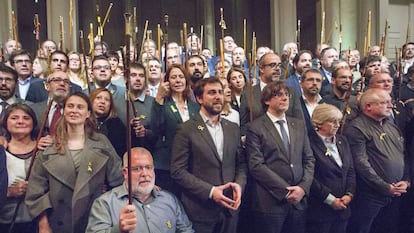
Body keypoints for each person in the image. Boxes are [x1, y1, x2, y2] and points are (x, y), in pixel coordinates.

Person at [25, 92, 124, 233]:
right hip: (57, 223)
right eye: (70, 106)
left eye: (80, 107)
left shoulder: (102, 143)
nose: (74, 110)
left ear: (88, 113)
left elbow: (118, 178)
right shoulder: (49, 147)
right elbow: (36, 191)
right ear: (64, 111)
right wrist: (43, 224)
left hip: (94, 220)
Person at [171, 77, 246, 233]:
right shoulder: (186, 129)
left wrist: (239, 185)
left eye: (220, 92)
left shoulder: (232, 128)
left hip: (230, 209)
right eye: (212, 93)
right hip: (200, 210)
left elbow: (241, 164)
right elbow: (178, 171)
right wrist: (211, 192)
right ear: (199, 98)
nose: (218, 96)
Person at [245, 80, 314, 233]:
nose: (285, 98)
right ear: (267, 100)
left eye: (286, 95)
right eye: (279, 95)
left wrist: (302, 188)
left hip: (299, 202)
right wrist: (286, 191)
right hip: (270, 202)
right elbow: (256, 165)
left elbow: (309, 159)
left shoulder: (298, 125)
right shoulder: (255, 127)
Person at [344, 88, 410, 233]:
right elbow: (361, 163)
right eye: (384, 103)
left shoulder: (391, 126)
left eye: (390, 102)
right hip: (370, 195)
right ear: (368, 106)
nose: (391, 106)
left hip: (396, 192)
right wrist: (385, 187)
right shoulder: (357, 128)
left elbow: (403, 155)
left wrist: (406, 180)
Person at [86, 147, 194, 233]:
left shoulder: (169, 200)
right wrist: (118, 230)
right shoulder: (105, 204)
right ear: (125, 173)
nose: (145, 174)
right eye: (137, 169)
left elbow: (186, 230)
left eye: (148, 167)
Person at [306, 103, 356, 233]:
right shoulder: (308, 143)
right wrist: (330, 200)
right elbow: (310, 177)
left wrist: (349, 194)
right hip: (320, 210)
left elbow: (350, 170)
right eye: (332, 122)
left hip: (344, 208)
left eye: (338, 121)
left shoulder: (342, 140)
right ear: (319, 122)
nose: (337, 125)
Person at [151, 64, 199, 194]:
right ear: (167, 81)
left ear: (186, 80)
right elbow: (156, 128)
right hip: (168, 164)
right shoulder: (162, 104)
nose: (178, 80)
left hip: (191, 164)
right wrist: (159, 98)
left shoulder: (195, 107)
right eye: (173, 77)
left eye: (181, 77)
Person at [239, 52, 303, 137]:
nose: (277, 69)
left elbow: (300, 123)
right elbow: (243, 125)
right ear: (261, 68)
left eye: (279, 65)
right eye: (273, 65)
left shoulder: (291, 92)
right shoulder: (248, 94)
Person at [0, 103, 38, 233]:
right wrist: (7, 192)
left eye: (26, 118)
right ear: (5, 123)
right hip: (4, 221)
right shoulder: (1, 151)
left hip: (37, 221)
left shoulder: (44, 149)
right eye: (14, 118)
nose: (20, 121)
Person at [90, 88, 126, 157]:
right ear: (91, 101)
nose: (103, 102)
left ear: (110, 105)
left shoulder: (116, 124)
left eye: (107, 100)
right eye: (98, 98)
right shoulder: (83, 122)